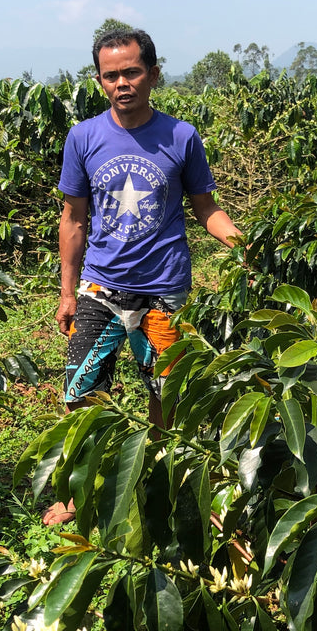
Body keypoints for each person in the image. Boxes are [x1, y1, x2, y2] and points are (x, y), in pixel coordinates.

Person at [44, 27, 241, 524]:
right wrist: (67, 293)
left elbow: (205, 207)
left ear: (153, 73)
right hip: (99, 288)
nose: (121, 83)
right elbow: (73, 219)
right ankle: (78, 491)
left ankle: (161, 471)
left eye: (131, 72)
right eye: (110, 76)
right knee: (81, 392)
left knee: (165, 394)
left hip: (164, 292)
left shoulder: (181, 136)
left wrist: (244, 246)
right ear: (99, 81)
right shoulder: (83, 137)